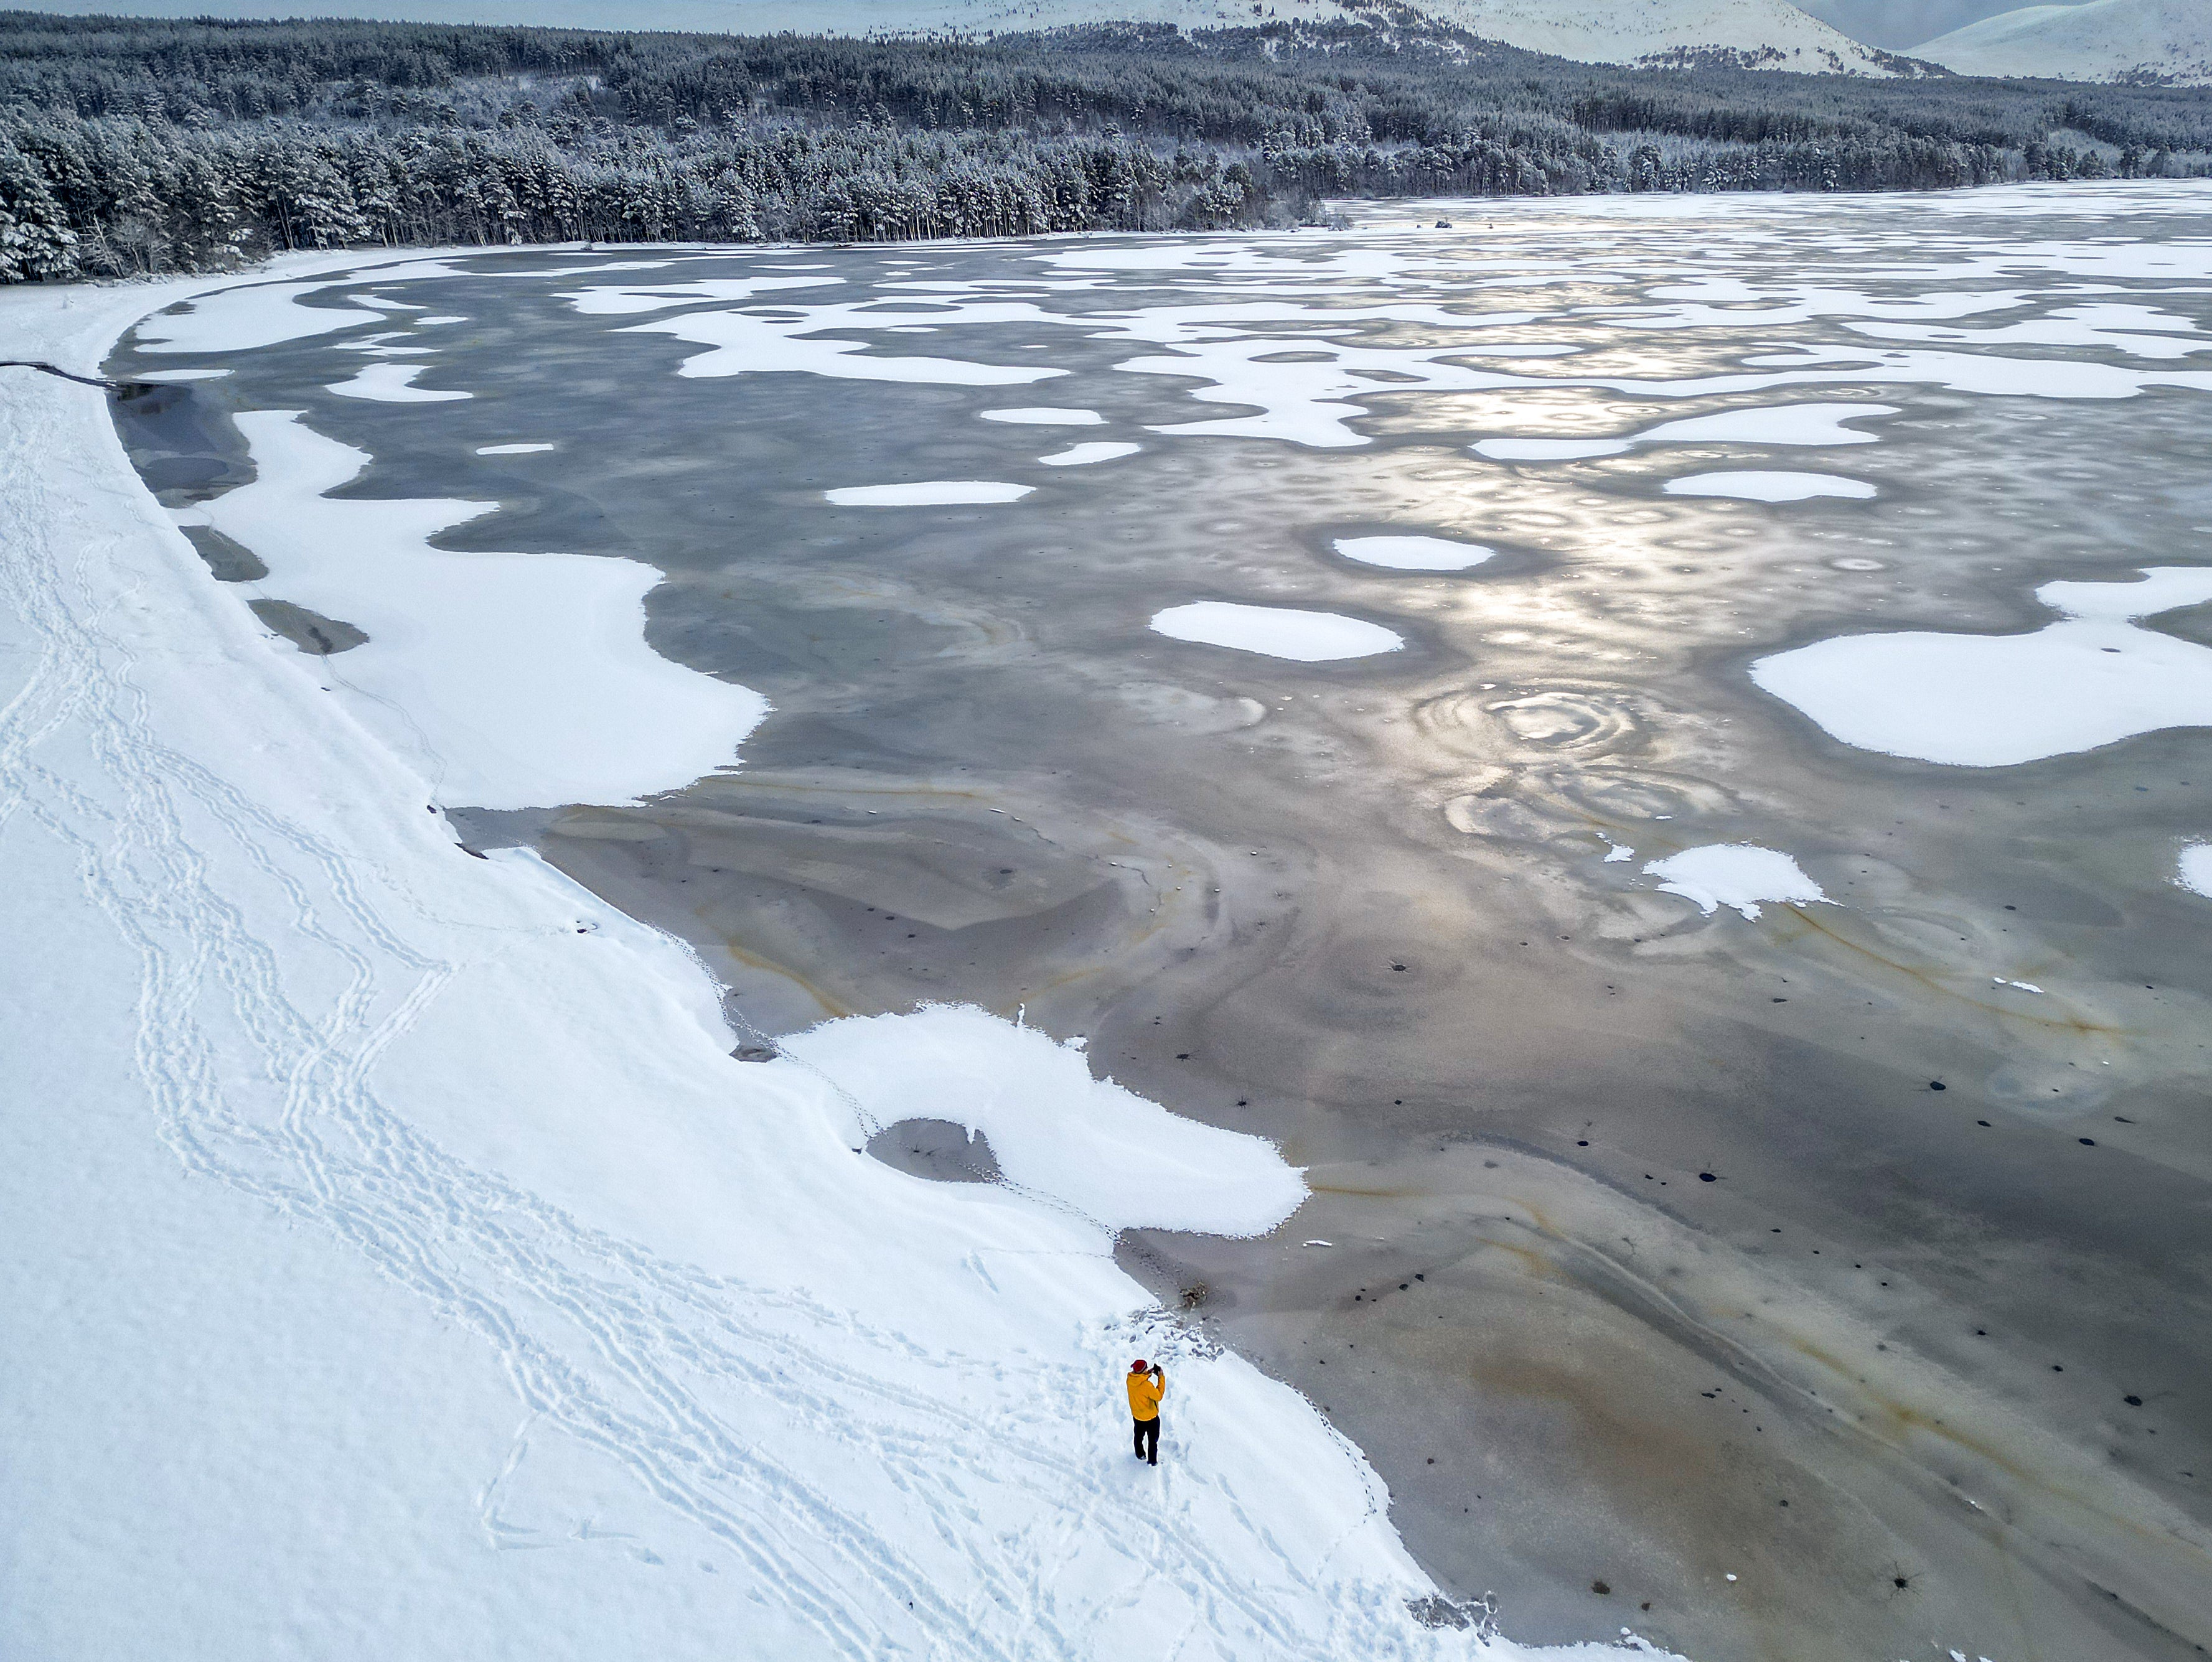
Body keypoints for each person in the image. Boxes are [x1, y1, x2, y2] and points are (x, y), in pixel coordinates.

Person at [1127, 1358, 1164, 1465]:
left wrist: (1148, 1373)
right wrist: (1161, 1378)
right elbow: (1158, 1396)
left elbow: (1139, 1379)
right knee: (1153, 1441)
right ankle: (1152, 1462)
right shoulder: (1147, 1386)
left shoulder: (1130, 1380)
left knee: (1138, 1437)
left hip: (1137, 1416)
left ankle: (1140, 1454)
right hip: (1151, 1418)